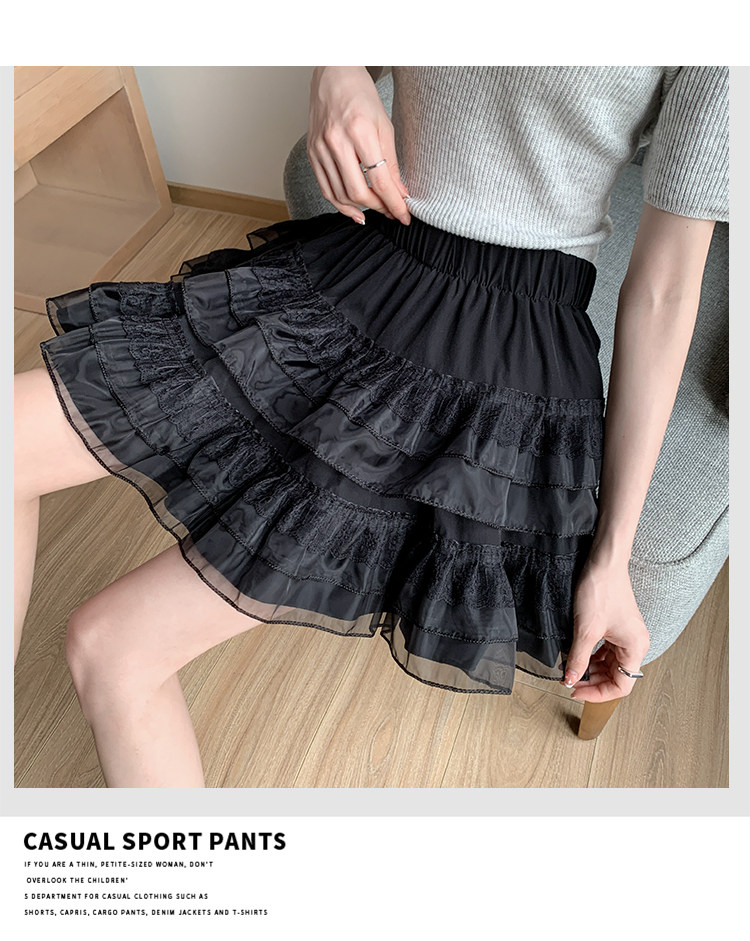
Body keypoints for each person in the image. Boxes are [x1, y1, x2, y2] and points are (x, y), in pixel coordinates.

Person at [14, 66, 728, 788]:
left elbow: (667, 292)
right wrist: (337, 69)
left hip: (493, 355)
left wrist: (611, 557)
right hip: (362, 263)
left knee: (111, 647)